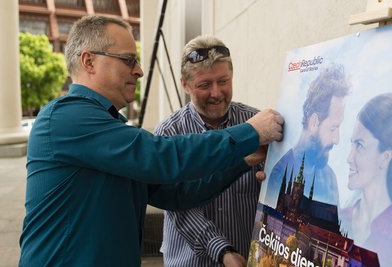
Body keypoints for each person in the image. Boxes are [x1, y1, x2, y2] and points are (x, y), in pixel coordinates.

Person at [18, 15, 284, 267]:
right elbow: (162, 157)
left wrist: (243, 159)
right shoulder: (66, 117)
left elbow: (178, 193)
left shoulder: (109, 126)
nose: (139, 70)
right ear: (89, 61)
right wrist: (249, 132)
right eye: (128, 60)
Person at [155, 36, 266, 267]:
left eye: (223, 81)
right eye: (205, 85)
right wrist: (223, 250)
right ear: (185, 84)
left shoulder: (256, 124)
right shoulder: (169, 133)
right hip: (190, 261)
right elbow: (179, 207)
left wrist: (269, 179)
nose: (216, 93)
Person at [264, 64, 350, 208]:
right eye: (333, 128)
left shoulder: (330, 179)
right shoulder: (281, 172)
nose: (337, 140)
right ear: (314, 122)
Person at [340, 93, 392, 267]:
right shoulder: (340, 217)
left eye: (359, 145)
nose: (348, 157)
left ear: (385, 157)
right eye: (351, 144)